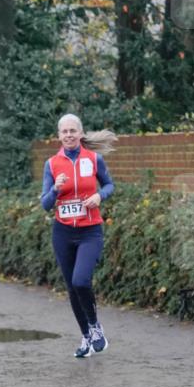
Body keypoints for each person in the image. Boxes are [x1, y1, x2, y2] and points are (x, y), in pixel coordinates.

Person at [40, 114, 116, 359]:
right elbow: (45, 204)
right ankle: (86, 336)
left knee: (81, 281)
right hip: (63, 232)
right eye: (64, 132)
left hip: (90, 231)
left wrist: (99, 196)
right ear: (59, 136)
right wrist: (55, 188)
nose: (69, 135)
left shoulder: (94, 159)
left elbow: (109, 185)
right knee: (71, 288)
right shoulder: (52, 164)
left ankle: (95, 326)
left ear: (80, 133)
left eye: (73, 131)